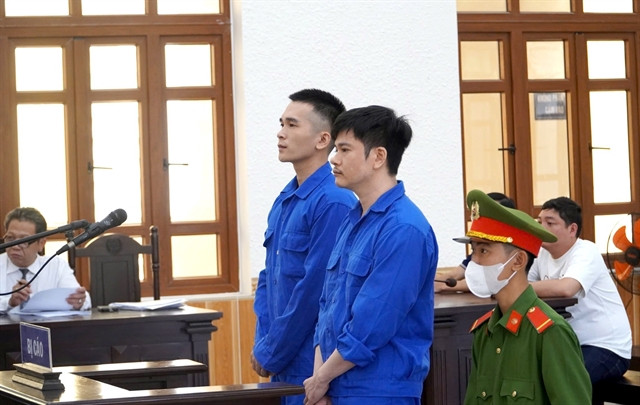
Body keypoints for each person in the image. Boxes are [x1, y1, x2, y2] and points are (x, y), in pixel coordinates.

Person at [303, 105, 439, 405]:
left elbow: (372, 324)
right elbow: (326, 307)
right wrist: (320, 381)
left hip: (379, 390)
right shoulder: (353, 219)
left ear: (378, 157)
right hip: (335, 383)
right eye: (335, 149)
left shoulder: (404, 229)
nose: (333, 159)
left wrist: (322, 379)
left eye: (344, 149)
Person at [252, 89, 356, 405]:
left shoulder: (333, 200)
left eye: (292, 125)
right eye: (281, 123)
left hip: (311, 363)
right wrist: (263, 345)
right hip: (279, 358)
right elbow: (268, 278)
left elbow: (314, 290)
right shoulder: (286, 199)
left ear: (323, 139)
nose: (281, 133)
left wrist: (272, 350)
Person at [459, 189, 591, 404]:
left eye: (484, 251)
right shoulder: (485, 332)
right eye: (473, 251)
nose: (475, 261)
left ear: (518, 261)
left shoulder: (550, 333)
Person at [528, 196, 631, 384]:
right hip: (568, 345)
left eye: (550, 223)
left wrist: (520, 287)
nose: (541, 228)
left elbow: (567, 288)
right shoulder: (541, 254)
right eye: (539, 222)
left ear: (572, 229)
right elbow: (523, 284)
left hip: (606, 347)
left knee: (563, 383)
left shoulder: (586, 251)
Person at [0, 207, 91, 312]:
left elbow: (84, 300)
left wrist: (79, 302)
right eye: (10, 238)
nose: (15, 246)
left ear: (41, 243)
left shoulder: (56, 266)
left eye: (24, 241)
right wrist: (9, 302)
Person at [435, 192, 515, 293]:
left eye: (490, 214)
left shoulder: (512, 248)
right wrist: (435, 281)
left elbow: (488, 282)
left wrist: (443, 286)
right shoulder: (479, 249)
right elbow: (456, 274)